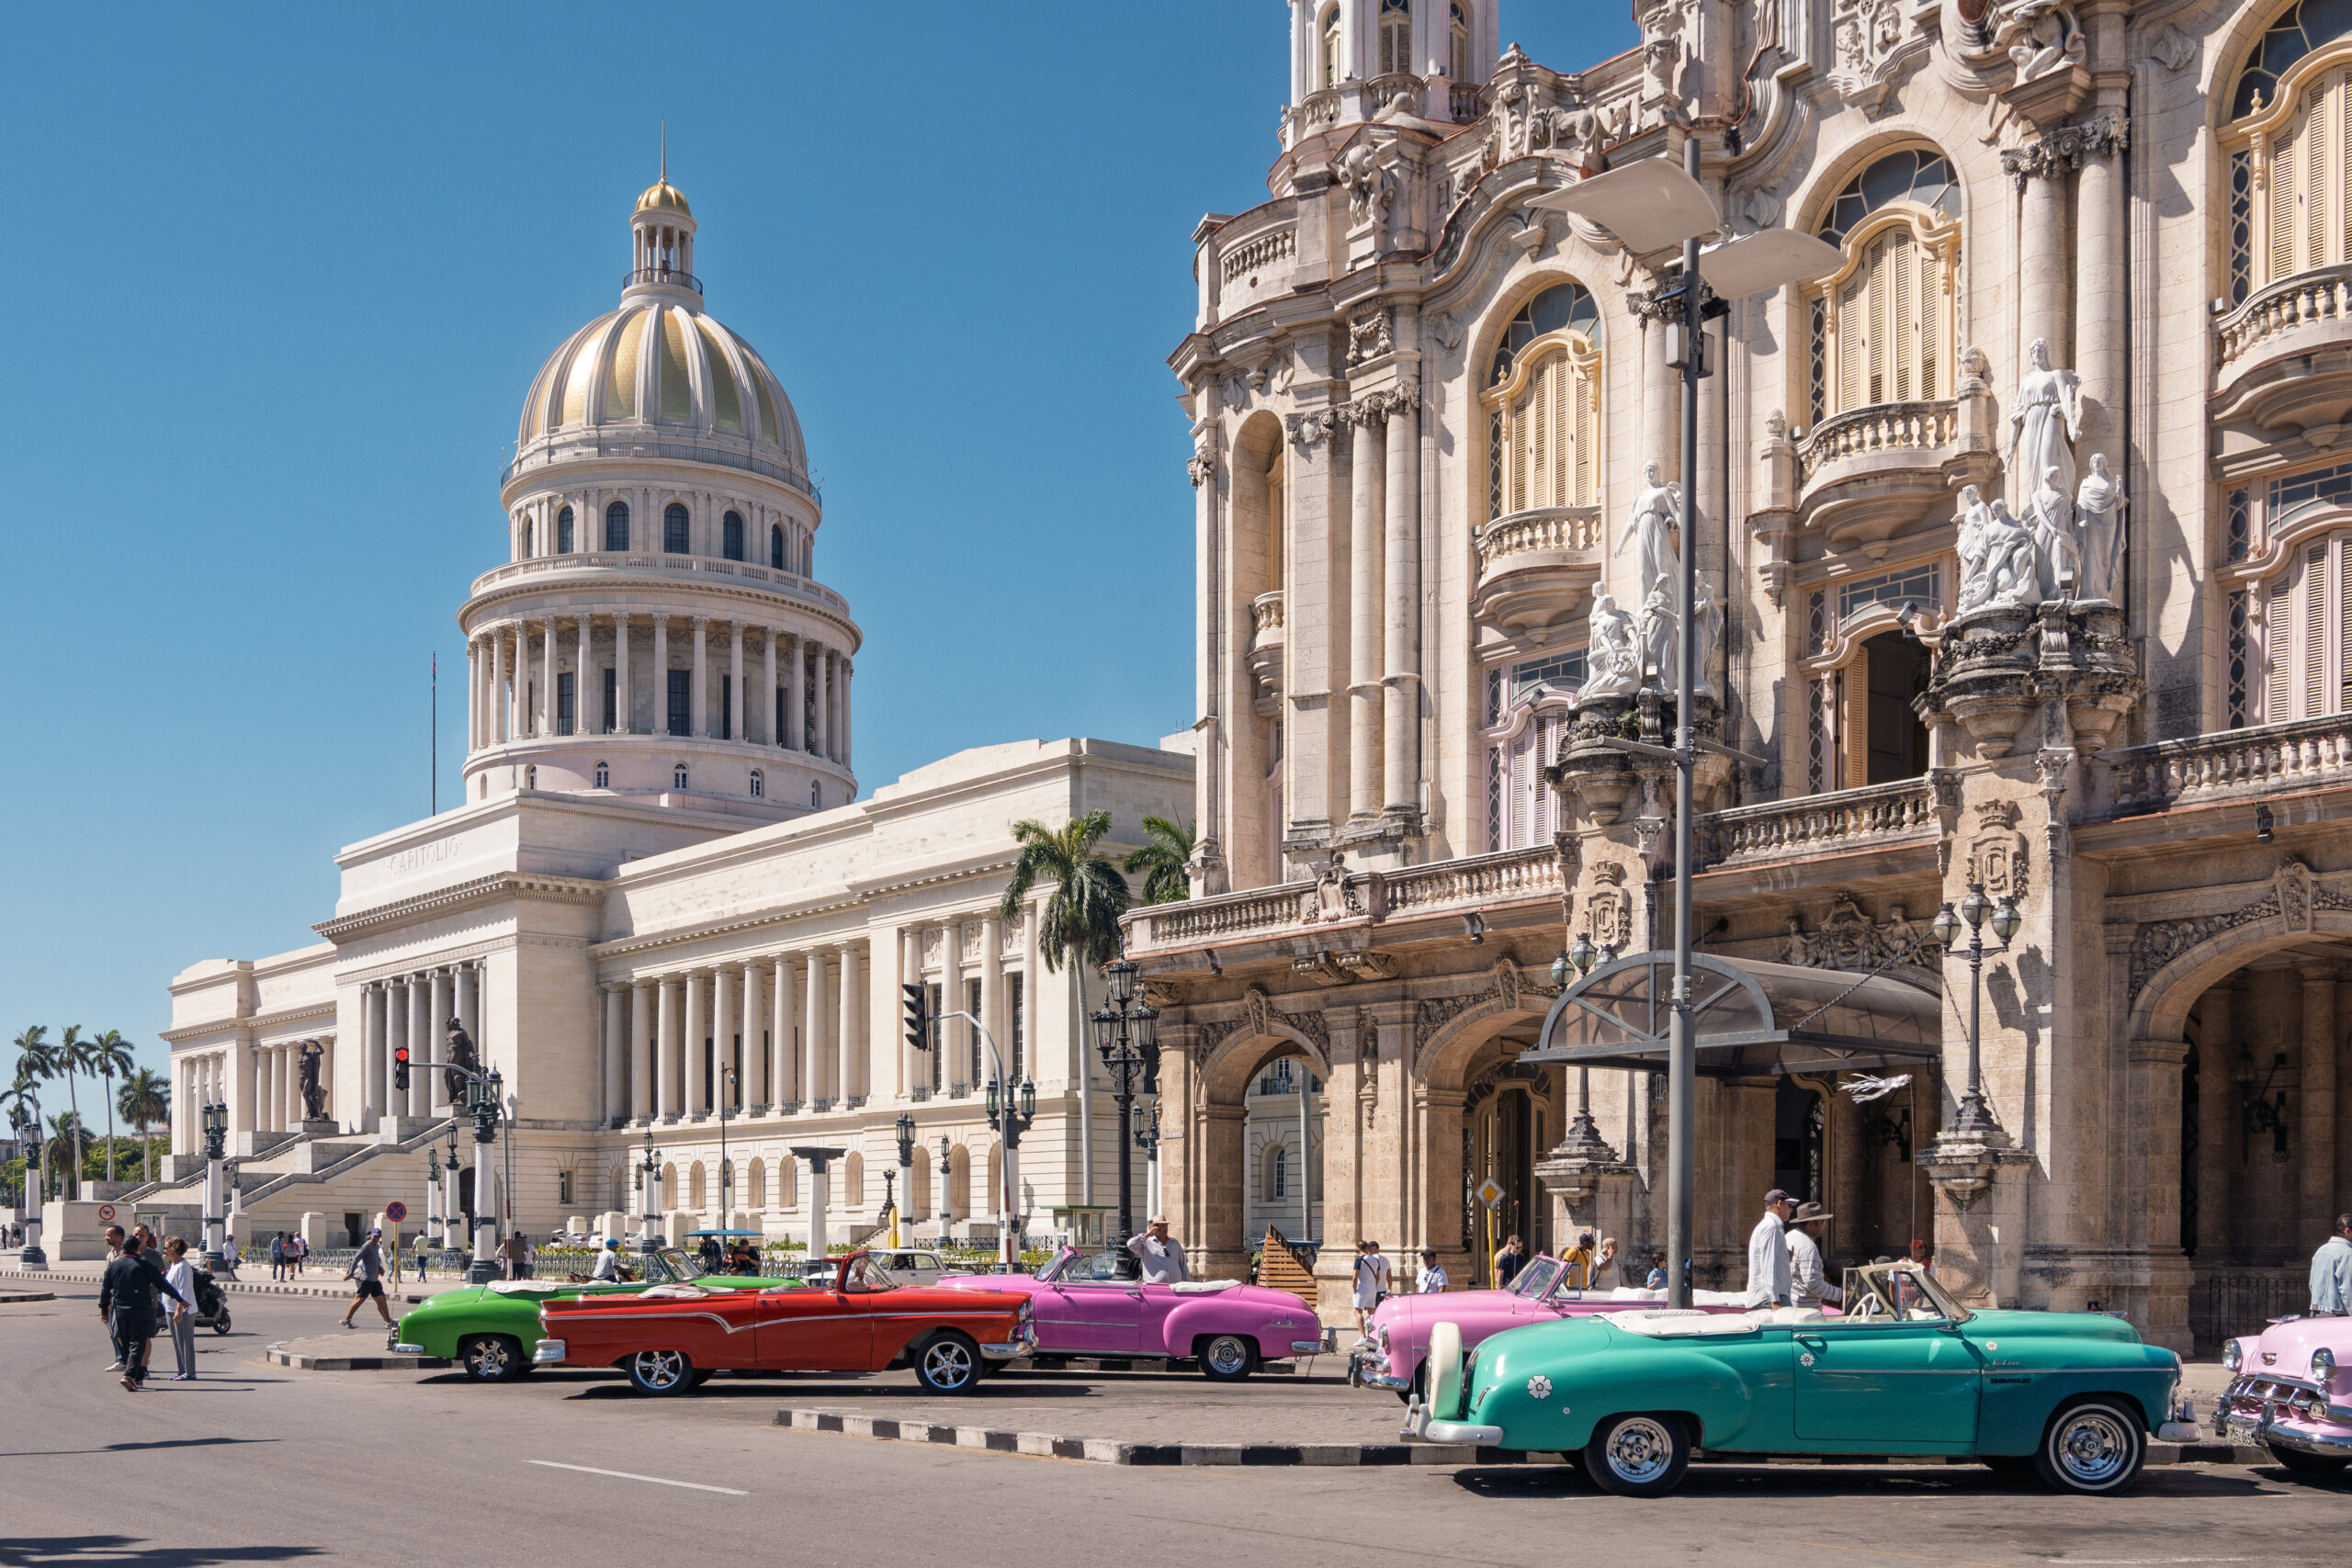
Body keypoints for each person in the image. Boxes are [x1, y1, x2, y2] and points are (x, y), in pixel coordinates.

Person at [99, 1233, 187, 1393]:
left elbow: (105, 1290)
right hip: (140, 1310)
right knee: (137, 1344)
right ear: (137, 1249)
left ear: (124, 1248)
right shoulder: (144, 1265)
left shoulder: (114, 1266)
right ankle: (129, 1375)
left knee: (126, 1343)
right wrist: (179, 1299)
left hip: (120, 1312)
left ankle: (138, 1377)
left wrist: (104, 1310)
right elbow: (162, 1285)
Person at [1744, 1190, 1797, 1308]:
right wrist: (1774, 1298)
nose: (1791, 1210)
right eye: (1789, 1206)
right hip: (1770, 1298)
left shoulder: (1770, 1225)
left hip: (1772, 1295)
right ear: (1779, 1204)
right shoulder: (1771, 1226)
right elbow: (1768, 1263)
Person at [1785, 1201, 1843, 1309]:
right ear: (1811, 1223)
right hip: (1805, 1308)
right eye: (1822, 1222)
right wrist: (1843, 1295)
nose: (1824, 1225)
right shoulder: (1807, 1246)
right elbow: (1814, 1284)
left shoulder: (1790, 1236)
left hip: (1791, 1301)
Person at [341, 1227, 393, 1330]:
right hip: (366, 1279)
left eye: (378, 1236)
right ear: (371, 1236)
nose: (376, 1238)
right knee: (360, 1300)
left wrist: (380, 1268)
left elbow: (375, 1260)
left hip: (374, 1279)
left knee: (381, 1299)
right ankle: (346, 1319)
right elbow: (356, 1258)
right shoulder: (366, 1246)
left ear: (380, 1237)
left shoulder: (377, 1246)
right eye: (375, 1236)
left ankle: (388, 1321)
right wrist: (351, 1273)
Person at [162, 1237, 198, 1381]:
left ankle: (190, 1372)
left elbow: (183, 1291)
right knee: (177, 1341)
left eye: (166, 1248)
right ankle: (182, 1370)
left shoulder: (183, 1266)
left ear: (174, 1249)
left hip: (184, 1311)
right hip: (170, 1309)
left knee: (185, 1341)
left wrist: (179, 1310)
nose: (164, 1251)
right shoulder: (173, 1265)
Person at [1125, 1215, 1191, 1283]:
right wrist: (1147, 1234)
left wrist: (1188, 1284)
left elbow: (1183, 1265)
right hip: (1154, 1286)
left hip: (1175, 1286)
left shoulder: (1174, 1243)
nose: (1163, 1229)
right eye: (1159, 1226)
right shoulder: (1146, 1242)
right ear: (1153, 1228)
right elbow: (1130, 1245)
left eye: (1165, 1225)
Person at [2311, 1213, 2352, 1316]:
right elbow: (2348, 1290)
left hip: (2316, 1312)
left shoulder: (2321, 1250)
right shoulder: (2348, 1253)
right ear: (2348, 1231)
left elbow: (2312, 1284)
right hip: (2338, 1315)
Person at [1351, 1239, 1391, 1337]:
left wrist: (1354, 1287)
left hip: (1363, 1289)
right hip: (1375, 1289)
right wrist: (1376, 1285)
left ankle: (1363, 1335)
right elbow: (1380, 1276)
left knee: (1358, 1311)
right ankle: (1373, 1334)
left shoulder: (1360, 1260)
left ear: (1358, 1248)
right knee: (1372, 1312)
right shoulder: (1376, 1260)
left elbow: (1355, 1276)